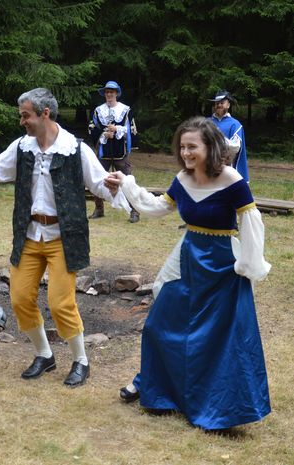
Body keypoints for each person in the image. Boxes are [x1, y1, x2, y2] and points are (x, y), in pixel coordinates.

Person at [0, 88, 130, 387]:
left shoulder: (75, 149)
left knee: (60, 303)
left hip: (63, 237)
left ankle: (81, 360)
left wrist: (118, 187)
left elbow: (99, 183)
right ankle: (44, 354)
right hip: (29, 235)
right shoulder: (22, 147)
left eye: (25, 115)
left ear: (45, 114)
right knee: (19, 298)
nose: (21, 121)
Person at [105, 116, 272, 430]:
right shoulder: (182, 178)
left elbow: (251, 223)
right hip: (188, 259)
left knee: (217, 336)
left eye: (192, 146)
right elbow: (158, 206)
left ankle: (218, 405)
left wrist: (247, 266)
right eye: (182, 147)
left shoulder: (232, 179)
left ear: (210, 146)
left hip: (223, 266)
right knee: (159, 324)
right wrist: (127, 184)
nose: (185, 153)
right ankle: (155, 386)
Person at [88, 80, 140, 223]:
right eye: (107, 92)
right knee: (97, 179)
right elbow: (92, 128)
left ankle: (134, 211)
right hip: (103, 151)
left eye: (111, 92)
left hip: (120, 151)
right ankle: (99, 209)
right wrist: (104, 134)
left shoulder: (126, 110)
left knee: (127, 181)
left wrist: (117, 129)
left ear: (116, 93)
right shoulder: (98, 111)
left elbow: (131, 129)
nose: (109, 94)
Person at [208, 90, 248, 182]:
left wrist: (217, 140)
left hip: (226, 169)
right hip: (207, 167)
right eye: (217, 103)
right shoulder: (206, 122)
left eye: (222, 102)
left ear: (228, 105)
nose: (219, 105)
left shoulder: (235, 124)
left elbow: (235, 147)